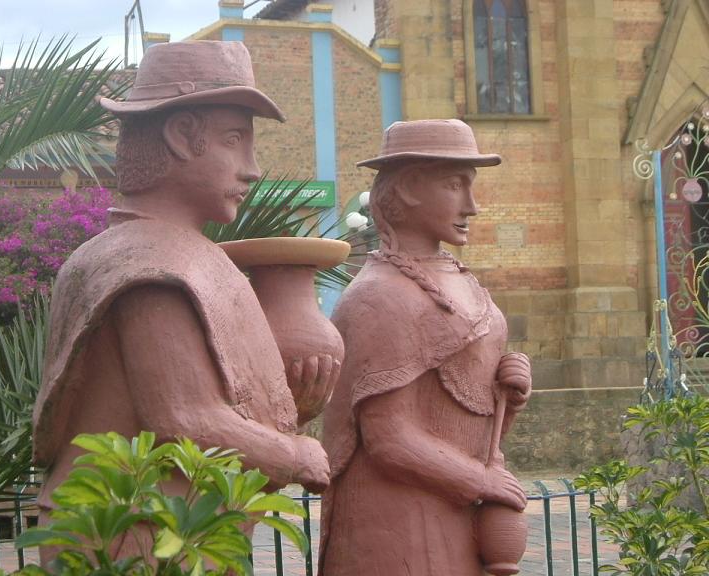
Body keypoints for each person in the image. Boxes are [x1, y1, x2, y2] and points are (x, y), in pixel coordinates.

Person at [32, 41, 332, 563]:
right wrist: (293, 453)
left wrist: (290, 413)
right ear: (180, 136)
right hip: (134, 532)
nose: (253, 168)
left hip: (168, 529)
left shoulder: (171, 254)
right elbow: (183, 418)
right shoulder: (149, 266)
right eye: (234, 140)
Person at [319, 119, 532, 576]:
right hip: (399, 529)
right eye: (455, 185)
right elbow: (388, 438)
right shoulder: (379, 295)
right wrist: (482, 481)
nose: (471, 206)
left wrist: (506, 400)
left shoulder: (460, 281)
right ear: (411, 188)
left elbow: (464, 422)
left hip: (457, 519)